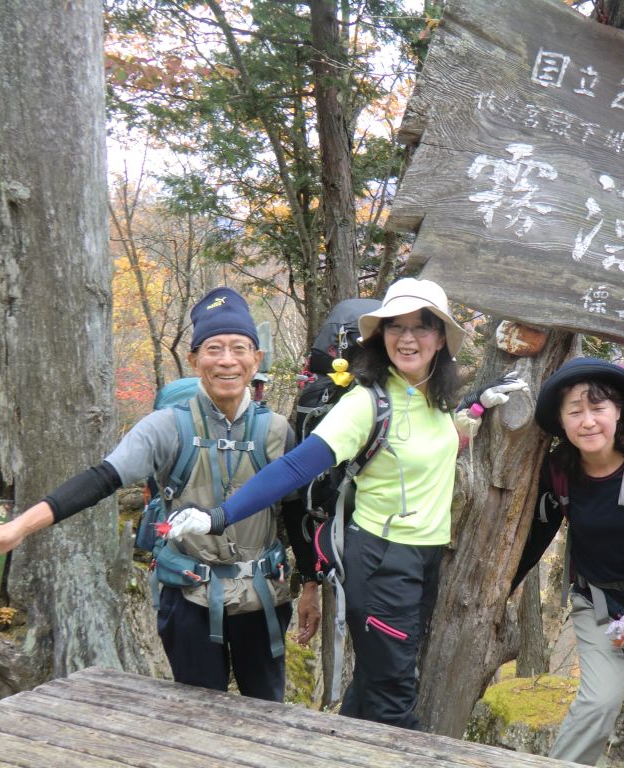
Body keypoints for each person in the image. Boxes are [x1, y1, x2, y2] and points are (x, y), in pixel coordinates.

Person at [165, 277, 526, 729]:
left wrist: (474, 411)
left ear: (440, 339)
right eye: (396, 327)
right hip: (382, 563)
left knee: (373, 683)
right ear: (381, 336)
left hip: (425, 557)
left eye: (422, 327)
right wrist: (218, 517)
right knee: (395, 699)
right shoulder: (364, 404)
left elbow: (431, 450)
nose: (408, 338)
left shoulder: (432, 398)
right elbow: (296, 468)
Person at [0, 286, 318, 701]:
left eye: (239, 348)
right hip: (189, 598)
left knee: (268, 712)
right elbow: (102, 478)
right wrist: (19, 528)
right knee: (193, 713)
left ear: (256, 359)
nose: (227, 360)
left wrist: (310, 583)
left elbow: (293, 513)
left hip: (262, 598)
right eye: (214, 348)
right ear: (194, 359)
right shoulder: (166, 427)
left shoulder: (277, 430)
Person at [513, 357, 624, 768]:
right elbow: (535, 536)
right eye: (575, 411)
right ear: (561, 421)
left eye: (598, 408)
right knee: (598, 703)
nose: (588, 421)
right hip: (597, 601)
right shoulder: (559, 470)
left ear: (618, 412)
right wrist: (501, 586)